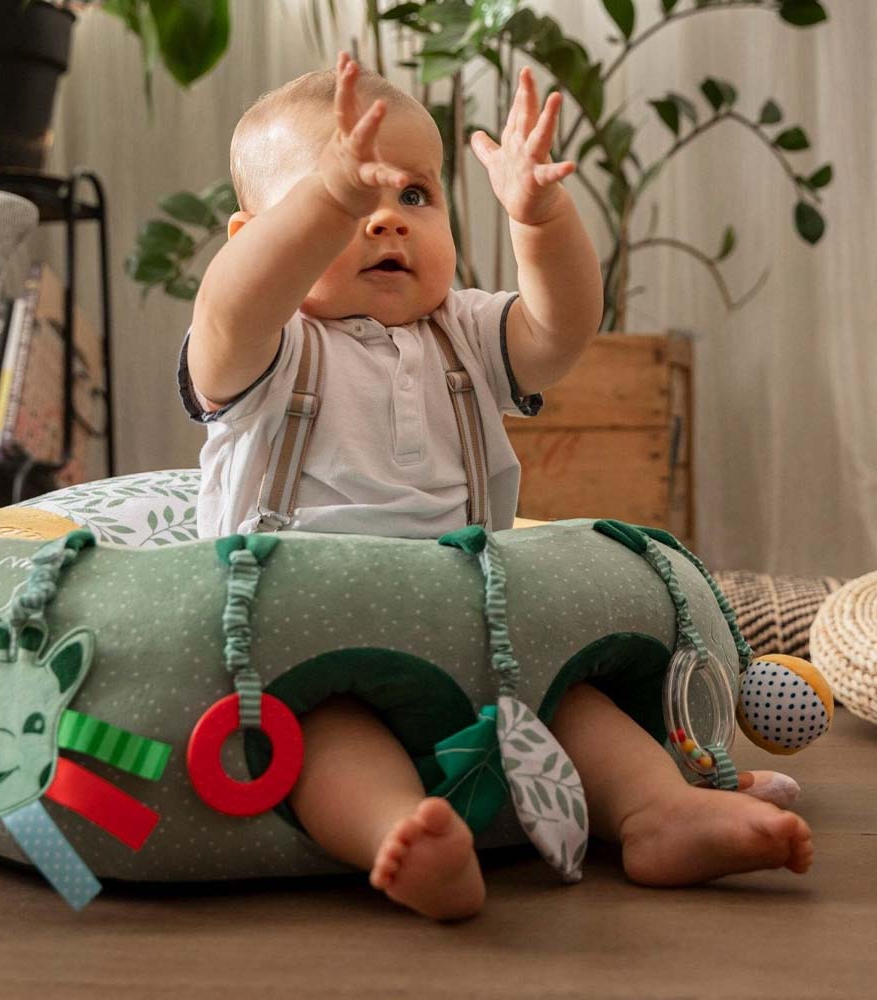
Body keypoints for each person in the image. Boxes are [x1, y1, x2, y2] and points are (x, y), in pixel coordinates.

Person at [178, 53, 813, 920]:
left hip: (469, 616)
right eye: (344, 200)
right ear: (255, 238)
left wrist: (541, 217)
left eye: (413, 196)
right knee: (327, 738)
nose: (385, 222)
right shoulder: (270, 347)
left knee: (571, 700)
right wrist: (328, 200)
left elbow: (561, 328)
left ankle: (657, 811)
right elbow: (227, 308)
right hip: (315, 630)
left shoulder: (465, 331)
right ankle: (403, 834)